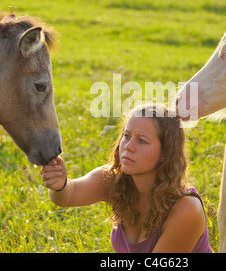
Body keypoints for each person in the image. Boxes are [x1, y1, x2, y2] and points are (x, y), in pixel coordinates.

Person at [40, 104, 212, 253]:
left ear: (166, 153)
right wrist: (59, 184)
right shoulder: (114, 180)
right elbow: (69, 195)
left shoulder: (186, 209)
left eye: (142, 141)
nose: (128, 147)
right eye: (127, 136)